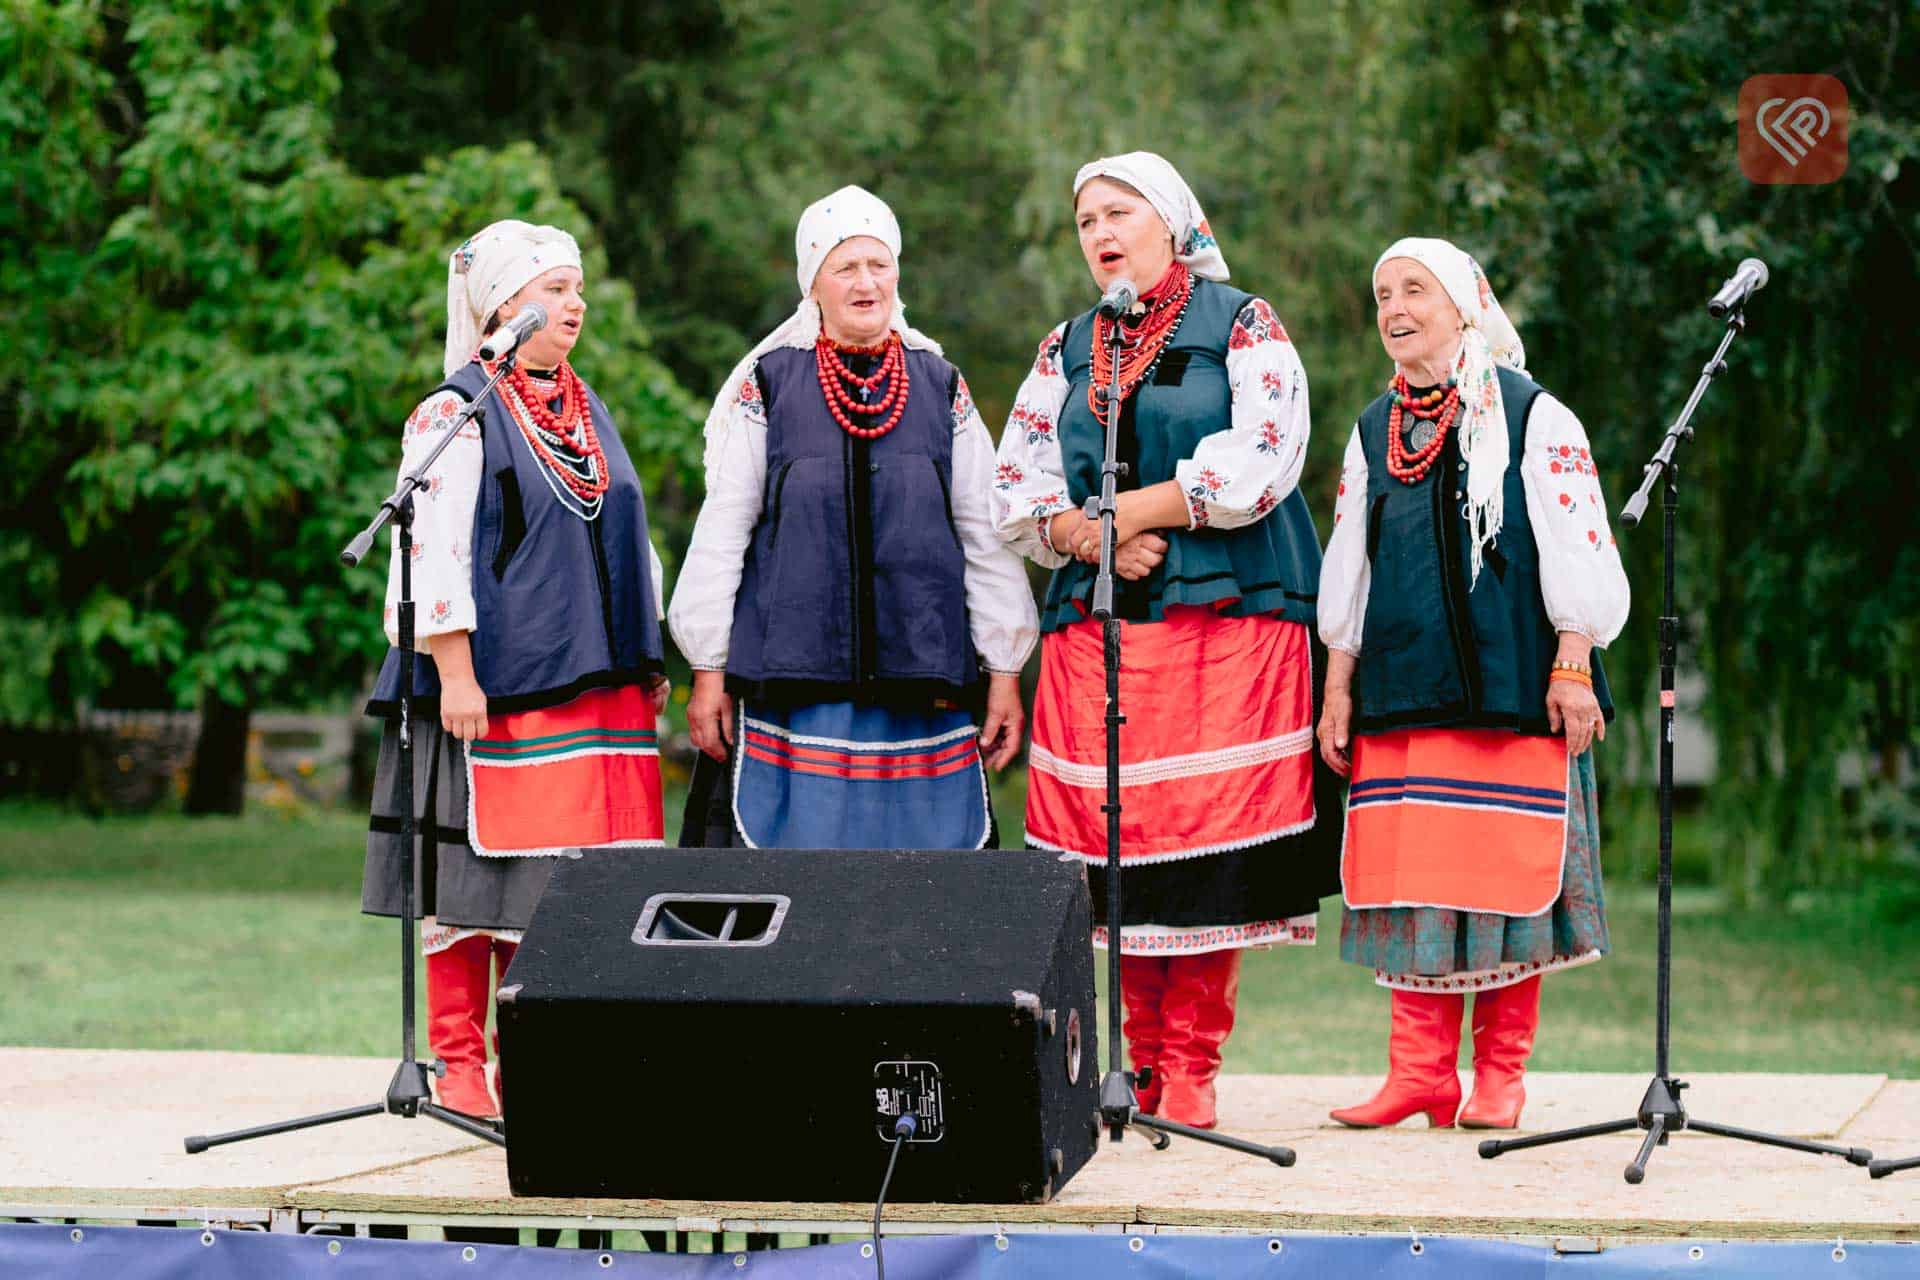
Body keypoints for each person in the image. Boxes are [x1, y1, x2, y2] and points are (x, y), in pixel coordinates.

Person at [991, 152, 1338, 1129]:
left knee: (1204, 837)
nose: (1101, 232)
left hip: (1221, 621)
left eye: (1121, 212)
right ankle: (1138, 1065)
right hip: (1100, 621)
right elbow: (1014, 478)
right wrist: (1079, 535)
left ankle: (1191, 1064)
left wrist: (1127, 512)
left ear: (1172, 223)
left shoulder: (1241, 322)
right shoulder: (1067, 346)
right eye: (1086, 220)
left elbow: (1265, 452)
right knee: (1122, 843)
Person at [1317, 237, 1630, 1130]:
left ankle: (1499, 1079)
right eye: (1383, 293)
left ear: (1465, 307)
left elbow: (1579, 543)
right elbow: (1352, 568)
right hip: (1403, 694)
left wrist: (1573, 663)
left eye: (1414, 290)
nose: (1394, 308)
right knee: (1414, 879)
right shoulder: (1374, 430)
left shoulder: (1535, 416)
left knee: (1506, 879)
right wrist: (1337, 688)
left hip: (1515, 690)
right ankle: (1418, 1075)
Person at [362, 220, 670, 1120]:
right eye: (557, 290)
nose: (576, 306)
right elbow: (433, 549)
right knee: (477, 875)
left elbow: (629, 536)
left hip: (588, 677)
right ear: (504, 306)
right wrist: (455, 673)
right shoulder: (454, 412)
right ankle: (459, 1063)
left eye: (578, 290)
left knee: (557, 882)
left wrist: (642, 647)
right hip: (494, 683)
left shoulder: (586, 407)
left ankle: (533, 1059)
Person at [668, 186, 1035, 849]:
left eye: (879, 265)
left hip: (922, 682)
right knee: (798, 881)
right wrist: (708, 669)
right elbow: (723, 529)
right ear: (813, 284)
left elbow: (984, 534)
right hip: (794, 686)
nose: (866, 283)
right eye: (846, 268)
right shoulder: (769, 384)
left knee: (920, 885)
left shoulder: (940, 386)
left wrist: (1005, 671)